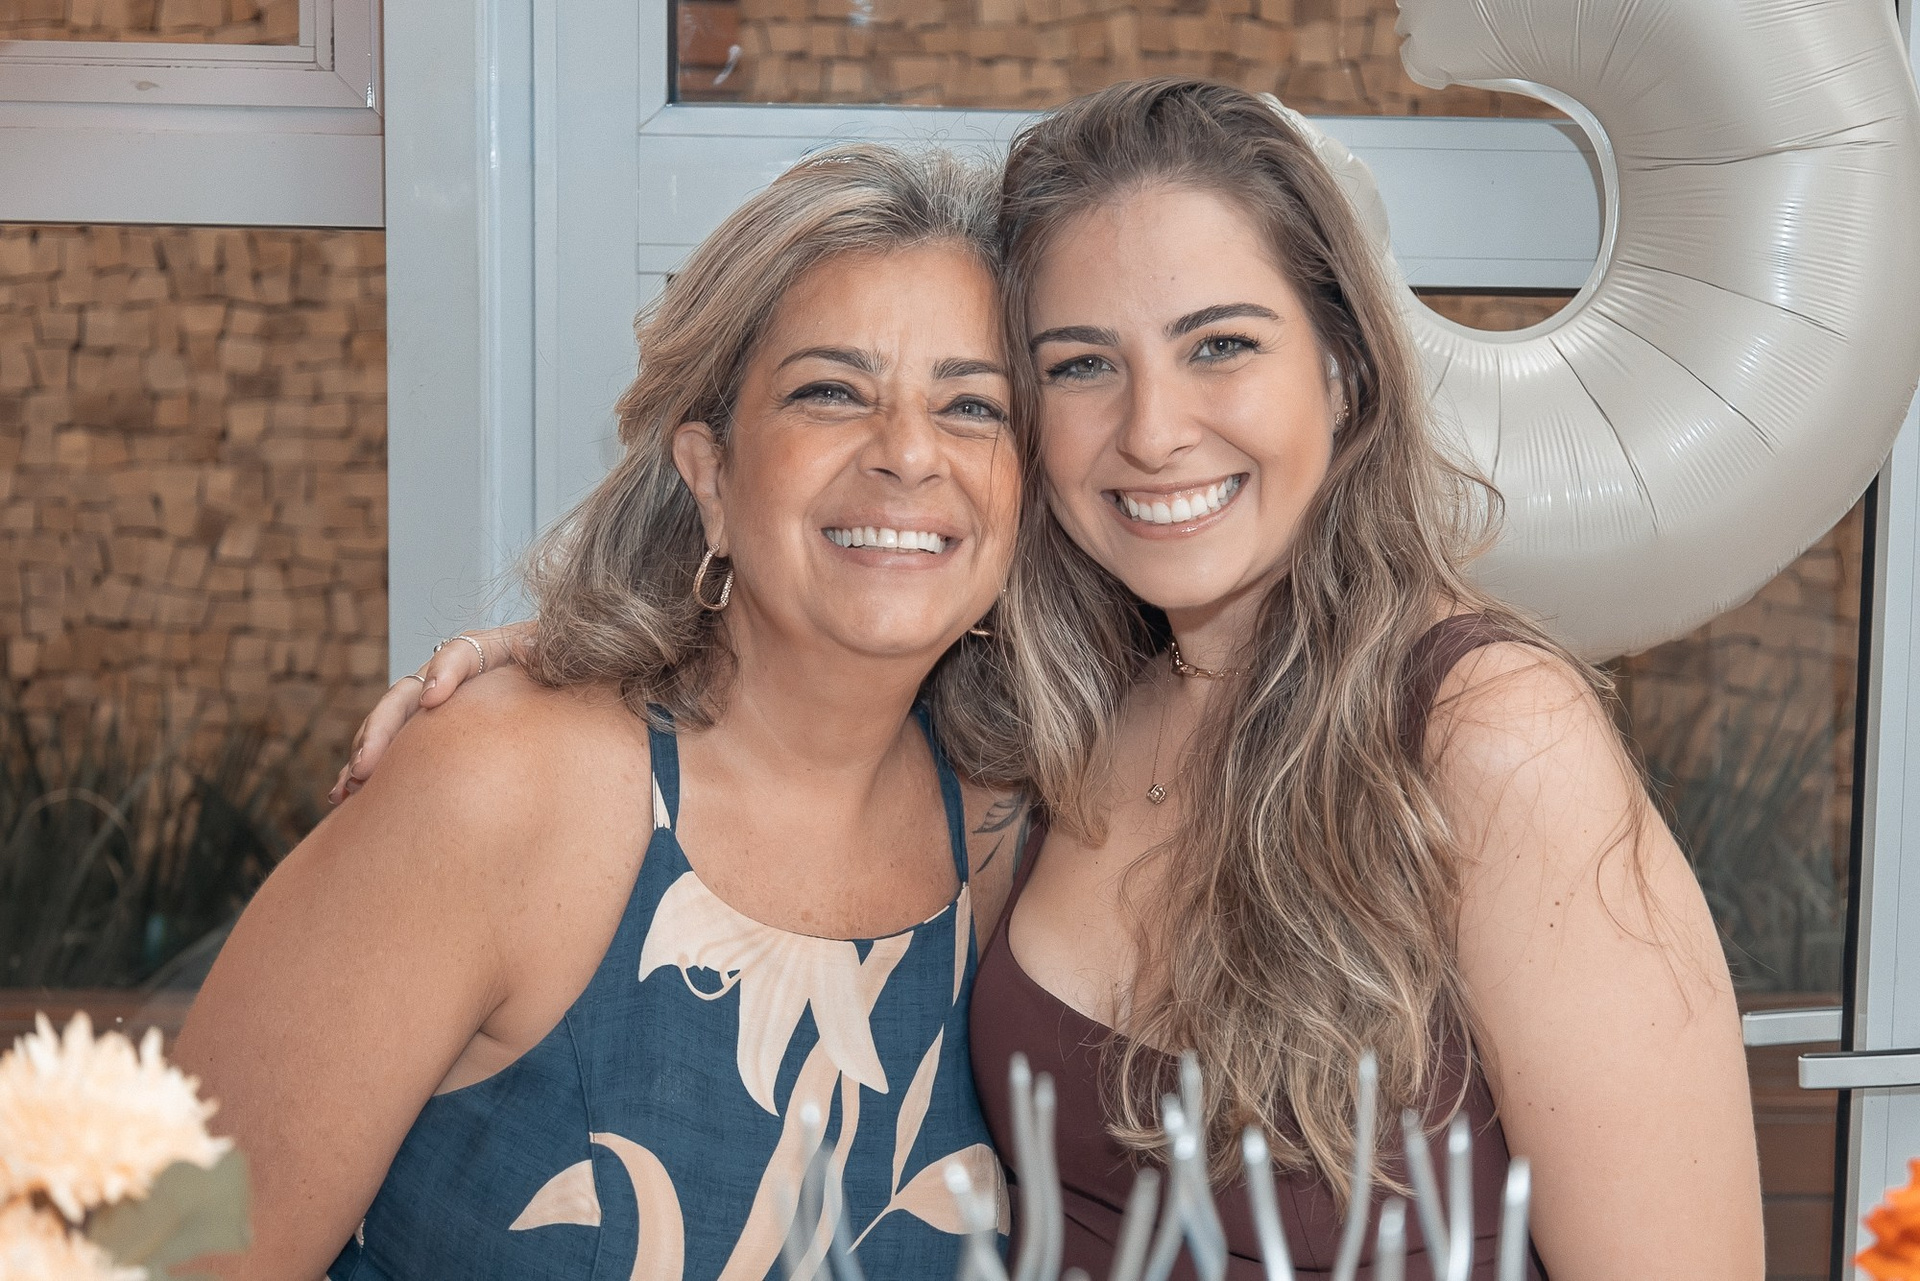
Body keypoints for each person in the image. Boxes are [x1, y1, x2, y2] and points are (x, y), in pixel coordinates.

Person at [347, 80, 1765, 1278]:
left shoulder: (1489, 738)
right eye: (1082, 366)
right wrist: (549, 685)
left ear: (1342, 367)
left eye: (1221, 346)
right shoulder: (1048, 729)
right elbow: (806, 663)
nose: (1152, 430)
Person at [172, 143, 1030, 1280]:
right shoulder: (501, 787)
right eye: (830, 391)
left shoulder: (1010, 834)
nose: (910, 453)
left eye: (972, 405)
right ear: (711, 474)